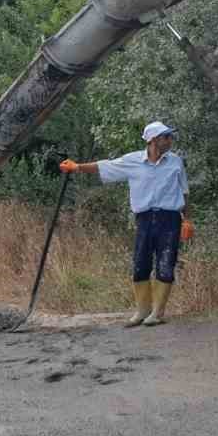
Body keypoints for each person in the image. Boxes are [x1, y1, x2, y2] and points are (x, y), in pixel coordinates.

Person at [60, 121, 193, 327]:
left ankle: (157, 313)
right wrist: (78, 167)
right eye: (166, 137)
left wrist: (187, 219)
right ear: (153, 140)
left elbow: (184, 191)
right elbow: (105, 166)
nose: (170, 140)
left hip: (170, 219)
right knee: (140, 264)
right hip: (145, 218)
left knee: (166, 263)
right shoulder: (133, 161)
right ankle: (142, 310)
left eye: (170, 136)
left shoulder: (175, 162)